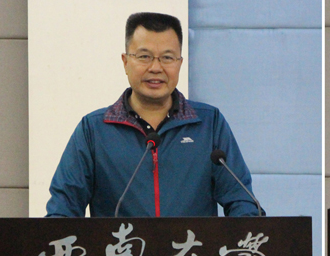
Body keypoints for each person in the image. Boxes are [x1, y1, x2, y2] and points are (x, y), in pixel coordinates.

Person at [46, 12, 260, 217]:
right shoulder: (94, 130)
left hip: (192, 244)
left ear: (179, 63)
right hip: (122, 244)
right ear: (125, 62)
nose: (156, 68)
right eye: (144, 56)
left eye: (167, 57)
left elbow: (241, 201)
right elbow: (63, 208)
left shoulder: (209, 124)